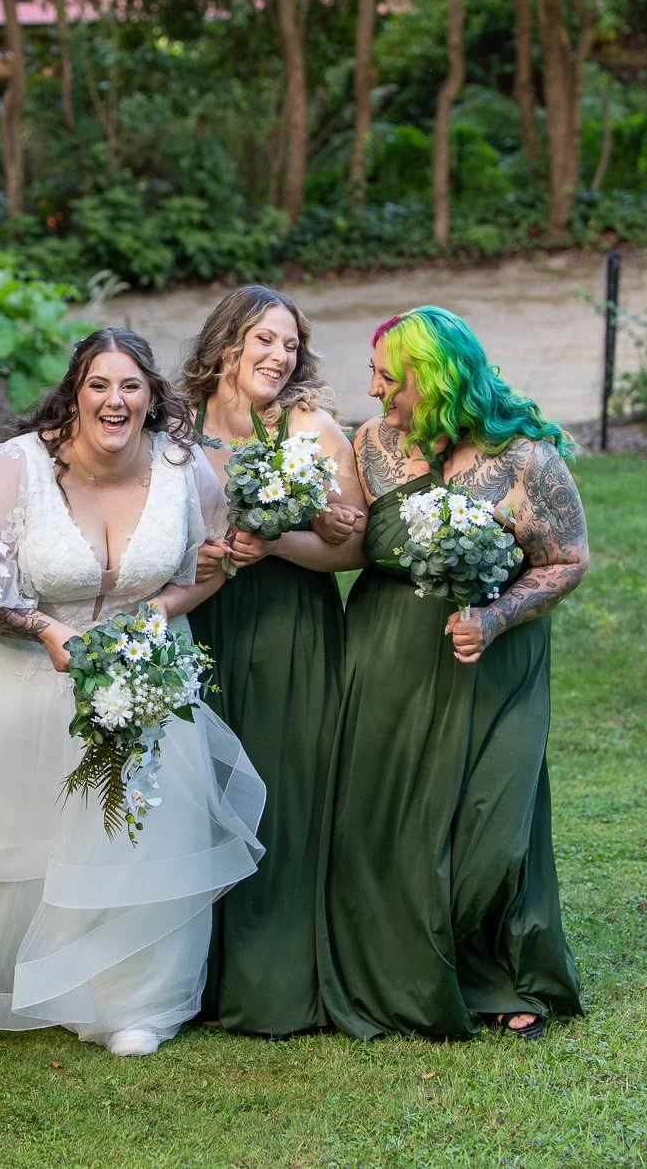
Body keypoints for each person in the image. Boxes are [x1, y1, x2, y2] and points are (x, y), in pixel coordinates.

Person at [0, 327, 266, 1058]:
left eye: (131, 385)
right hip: (10, 678)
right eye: (99, 384)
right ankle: (0, 977)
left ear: (151, 398)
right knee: (16, 832)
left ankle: (130, 997)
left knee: (131, 832)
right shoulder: (18, 466)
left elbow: (211, 564)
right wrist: (39, 626)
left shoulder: (182, 467)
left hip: (140, 677)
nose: (115, 399)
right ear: (75, 392)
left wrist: (149, 620)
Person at [319, 306, 587, 1041]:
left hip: (492, 666)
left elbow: (568, 559)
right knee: (388, 827)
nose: (372, 391)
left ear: (431, 381)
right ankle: (393, 974)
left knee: (491, 831)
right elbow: (350, 543)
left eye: (387, 377)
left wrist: (494, 617)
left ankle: (501, 971)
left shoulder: (524, 456)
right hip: (388, 657)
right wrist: (330, 527)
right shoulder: (371, 444)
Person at [179, 286, 364, 1037]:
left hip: (289, 626)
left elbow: (353, 546)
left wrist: (274, 543)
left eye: (289, 344)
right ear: (227, 343)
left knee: (283, 786)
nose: (278, 356)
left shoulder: (309, 426)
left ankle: (275, 981)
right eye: (264, 339)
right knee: (202, 793)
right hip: (200, 619)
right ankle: (196, 975)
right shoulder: (177, 426)